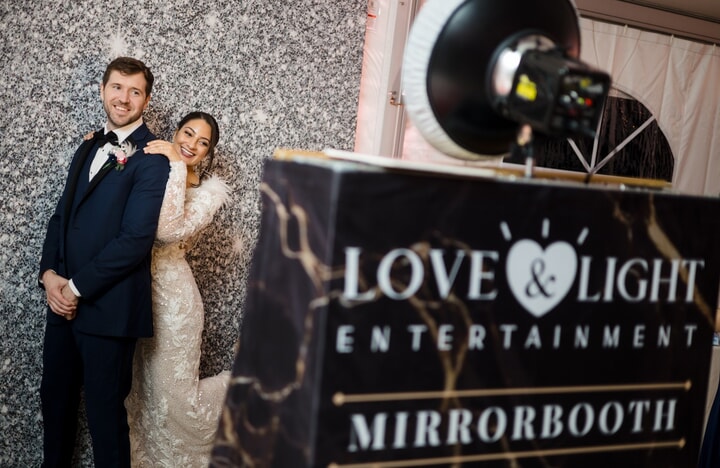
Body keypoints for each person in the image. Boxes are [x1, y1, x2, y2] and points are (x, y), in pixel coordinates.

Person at [38, 57, 170, 467]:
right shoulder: (88, 144)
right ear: (102, 90)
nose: (123, 98)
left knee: (105, 420)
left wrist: (74, 288)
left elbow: (135, 240)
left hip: (109, 310)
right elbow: (61, 217)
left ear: (146, 100)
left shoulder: (152, 158)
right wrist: (49, 276)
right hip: (61, 305)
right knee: (54, 405)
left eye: (134, 91)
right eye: (116, 87)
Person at [124, 111, 232, 466]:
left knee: (176, 396)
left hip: (175, 304)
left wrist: (175, 165)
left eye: (203, 143)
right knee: (146, 393)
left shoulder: (208, 194)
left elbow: (167, 231)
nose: (191, 145)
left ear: (207, 153)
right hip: (139, 294)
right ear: (176, 131)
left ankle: (249, 388)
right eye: (188, 134)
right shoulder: (154, 164)